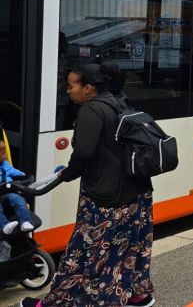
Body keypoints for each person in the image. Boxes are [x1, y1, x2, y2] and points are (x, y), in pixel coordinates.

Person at [21, 63, 154, 307]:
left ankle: (58, 302)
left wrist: (66, 175)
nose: (68, 90)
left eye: (71, 85)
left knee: (85, 250)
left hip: (106, 197)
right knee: (132, 245)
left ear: (88, 88)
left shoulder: (90, 111)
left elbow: (83, 153)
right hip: (137, 191)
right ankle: (136, 294)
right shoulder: (118, 101)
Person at [0, 142, 33, 235]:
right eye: (3, 153)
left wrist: (24, 176)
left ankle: (25, 222)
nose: (6, 155)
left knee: (18, 200)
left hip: (7, 190)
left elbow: (14, 172)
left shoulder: (4, 165)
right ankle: (4, 226)